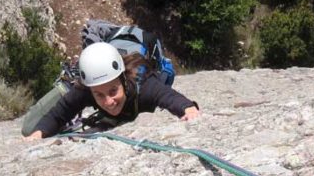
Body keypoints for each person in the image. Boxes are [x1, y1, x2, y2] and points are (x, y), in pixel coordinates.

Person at [26, 42, 200, 139]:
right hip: (82, 89)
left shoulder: (144, 86)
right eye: (99, 95)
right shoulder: (86, 90)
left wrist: (188, 108)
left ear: (123, 80)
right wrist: (38, 133)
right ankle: (67, 83)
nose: (108, 101)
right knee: (28, 129)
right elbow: (60, 112)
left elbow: (168, 96)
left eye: (113, 91)